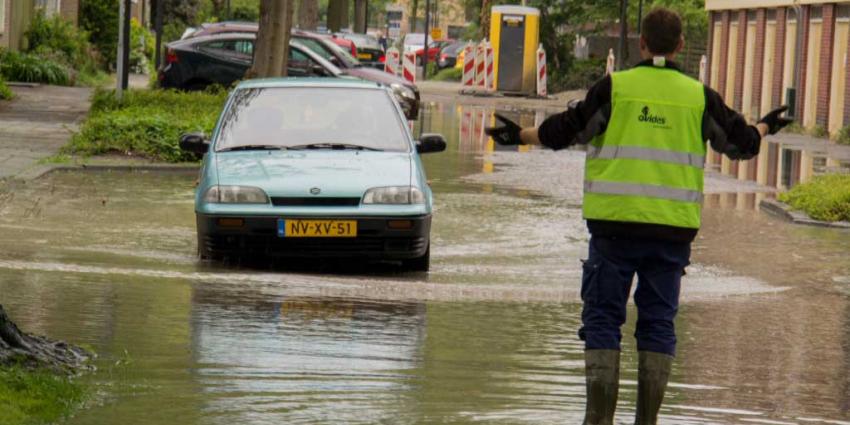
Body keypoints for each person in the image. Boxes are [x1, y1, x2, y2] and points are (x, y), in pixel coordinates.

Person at [485, 7, 792, 425]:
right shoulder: (699, 96)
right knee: (658, 323)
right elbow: (740, 144)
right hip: (671, 235)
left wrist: (518, 135)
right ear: (681, 45)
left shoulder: (615, 88)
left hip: (613, 231)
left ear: (641, 44)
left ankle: (598, 420)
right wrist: (764, 127)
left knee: (602, 319)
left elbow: (568, 129)